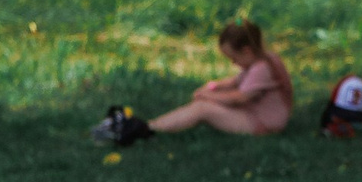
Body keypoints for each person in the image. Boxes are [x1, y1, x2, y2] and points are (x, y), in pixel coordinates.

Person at [94, 22, 294, 144]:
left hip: (262, 125)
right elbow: (235, 81)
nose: (234, 63)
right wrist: (213, 86)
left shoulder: (262, 68)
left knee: (202, 109)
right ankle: (147, 126)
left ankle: (144, 128)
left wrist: (208, 96)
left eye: (234, 59)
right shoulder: (265, 59)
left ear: (247, 51)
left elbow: (239, 97)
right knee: (203, 105)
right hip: (258, 117)